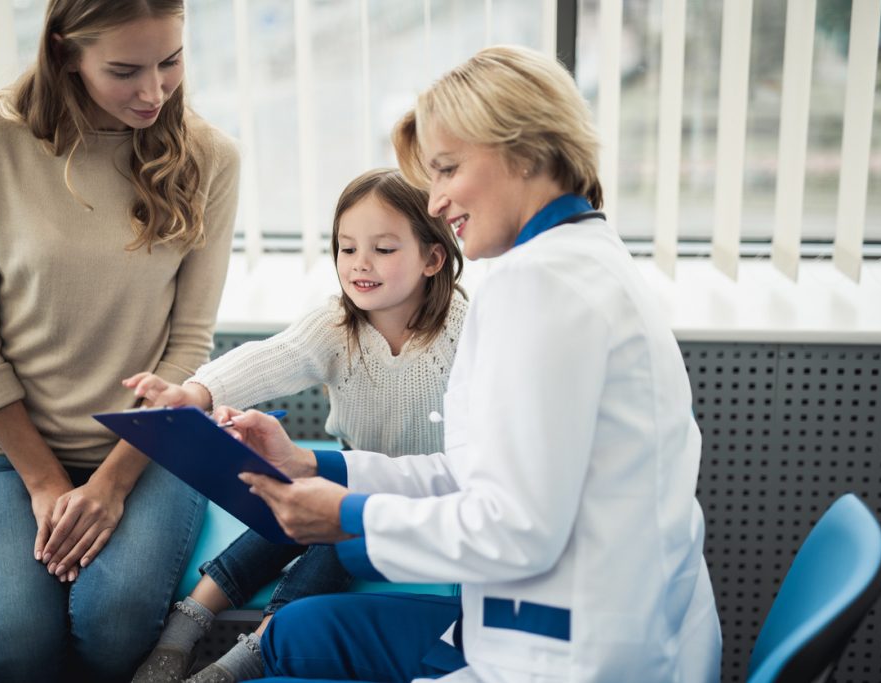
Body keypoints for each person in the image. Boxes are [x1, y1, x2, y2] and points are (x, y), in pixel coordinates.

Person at [214, 45, 723, 683]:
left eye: (449, 169)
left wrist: (348, 515)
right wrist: (315, 464)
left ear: (528, 152)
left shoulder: (539, 288)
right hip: (600, 623)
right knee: (294, 632)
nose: (435, 201)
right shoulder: (583, 259)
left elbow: (516, 527)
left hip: (571, 655)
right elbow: (483, 475)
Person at [0, 1, 240, 681]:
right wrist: (45, 482)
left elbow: (189, 342)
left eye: (171, 61)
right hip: (11, 453)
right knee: (18, 646)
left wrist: (110, 483)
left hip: (151, 449)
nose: (154, 91)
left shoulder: (212, 157)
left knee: (113, 626)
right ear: (64, 50)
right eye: (125, 70)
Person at [124, 168, 467, 683]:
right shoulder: (336, 322)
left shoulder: (467, 332)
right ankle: (184, 629)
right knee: (284, 493)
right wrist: (192, 395)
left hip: (432, 498)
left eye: (384, 249)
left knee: (335, 532)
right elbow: (271, 357)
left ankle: (242, 659)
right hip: (347, 467)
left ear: (433, 258)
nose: (360, 264)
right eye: (347, 249)